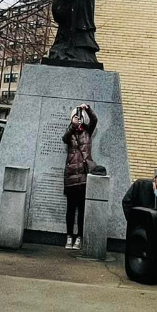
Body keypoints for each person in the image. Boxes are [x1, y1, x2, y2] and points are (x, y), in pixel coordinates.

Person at [122, 172, 157, 284]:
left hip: (156, 231)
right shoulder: (140, 186)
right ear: (154, 182)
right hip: (139, 229)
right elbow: (126, 201)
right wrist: (132, 221)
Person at [62, 104, 97, 249]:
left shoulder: (87, 131)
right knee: (70, 209)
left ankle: (79, 238)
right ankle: (69, 236)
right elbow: (64, 138)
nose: (78, 119)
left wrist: (87, 109)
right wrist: (72, 125)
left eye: (80, 118)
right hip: (71, 177)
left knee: (82, 210)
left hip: (83, 176)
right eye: (76, 118)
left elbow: (94, 120)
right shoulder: (70, 133)